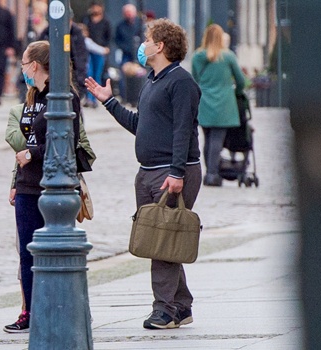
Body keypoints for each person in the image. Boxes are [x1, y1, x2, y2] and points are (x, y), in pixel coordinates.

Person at [85, 18, 202, 329]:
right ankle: (181, 305)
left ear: (160, 46)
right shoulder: (153, 80)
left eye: (148, 39)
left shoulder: (181, 82)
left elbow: (182, 132)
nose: (143, 44)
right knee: (161, 238)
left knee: (162, 240)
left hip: (173, 172)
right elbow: (140, 126)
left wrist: (177, 173)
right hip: (148, 171)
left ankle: (163, 309)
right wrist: (108, 102)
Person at [3, 40, 82, 333]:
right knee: (26, 251)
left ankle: (60, 308)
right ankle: (31, 311)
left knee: (56, 251)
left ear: (35, 65)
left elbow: (67, 142)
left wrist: (31, 154)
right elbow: (27, 138)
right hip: (27, 184)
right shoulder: (32, 96)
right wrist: (15, 178)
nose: (22, 68)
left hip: (54, 187)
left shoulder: (64, 97)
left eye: (24, 62)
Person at [191, 24, 246, 186]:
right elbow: (241, 81)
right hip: (224, 104)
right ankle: (212, 174)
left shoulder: (196, 57)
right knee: (217, 139)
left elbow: (194, 80)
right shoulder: (228, 57)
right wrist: (237, 94)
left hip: (204, 103)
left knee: (208, 138)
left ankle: (209, 172)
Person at [38, 7, 88, 99]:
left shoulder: (76, 33)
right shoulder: (46, 33)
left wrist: (80, 78)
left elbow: (81, 56)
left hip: (73, 73)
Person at [83, 3, 112, 108]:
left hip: (100, 51)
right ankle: (88, 98)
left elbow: (109, 36)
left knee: (97, 74)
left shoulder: (105, 21)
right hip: (88, 50)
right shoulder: (87, 20)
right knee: (88, 74)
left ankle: (94, 99)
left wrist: (106, 47)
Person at [114, 4, 144, 104]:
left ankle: (138, 97)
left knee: (140, 74)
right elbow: (117, 40)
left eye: (130, 13)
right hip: (125, 54)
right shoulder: (120, 26)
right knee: (124, 76)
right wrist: (125, 48)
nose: (129, 15)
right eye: (127, 13)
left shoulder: (140, 25)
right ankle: (125, 97)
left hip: (138, 53)